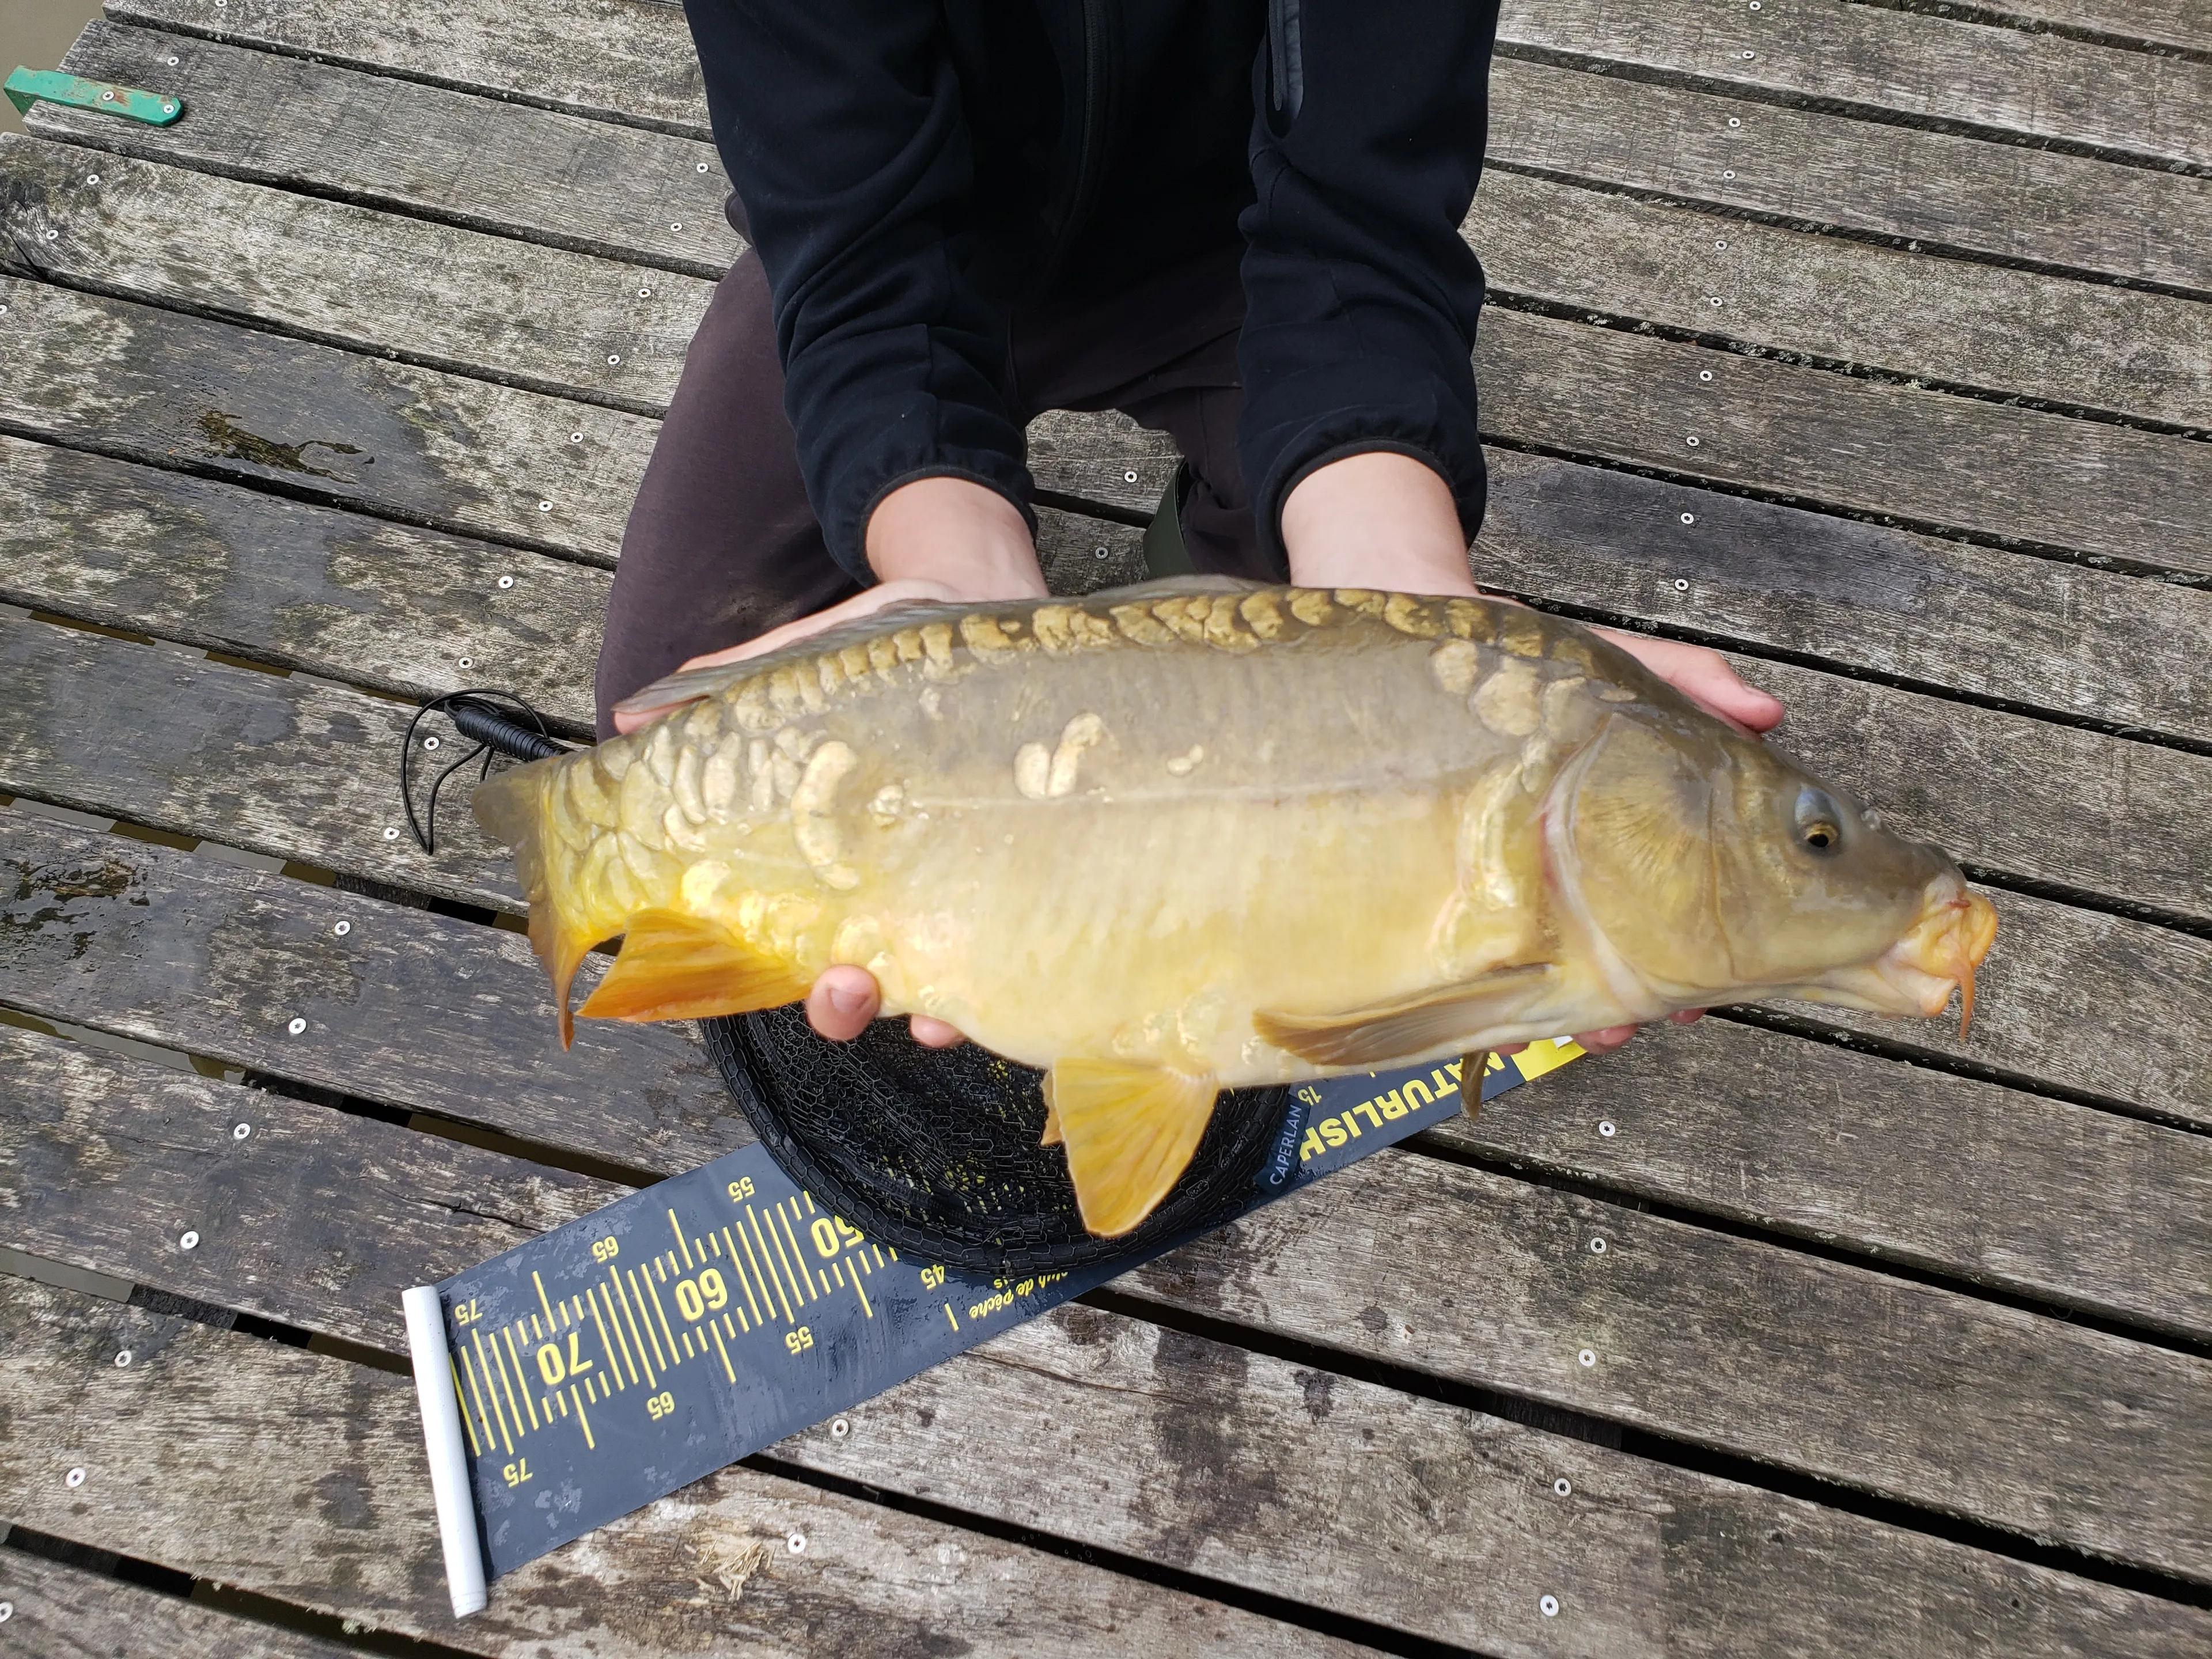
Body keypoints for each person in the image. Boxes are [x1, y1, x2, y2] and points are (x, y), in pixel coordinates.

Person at [600, 0, 1783, 1056]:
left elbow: (1361, 224)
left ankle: (1197, 554)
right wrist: (956, 586)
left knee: (1345, 692)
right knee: (662, 709)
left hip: (1246, 267)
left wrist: (1406, 595)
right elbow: (854, 249)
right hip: (891, 285)